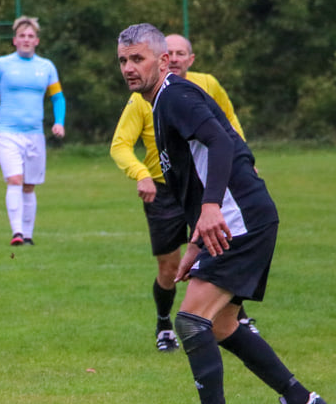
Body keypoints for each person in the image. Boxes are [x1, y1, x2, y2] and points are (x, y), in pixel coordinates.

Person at [116, 23, 328, 404]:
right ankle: (301, 401)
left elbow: (220, 142)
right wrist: (195, 239)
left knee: (193, 320)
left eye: (137, 59)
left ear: (163, 60)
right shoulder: (156, 102)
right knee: (224, 324)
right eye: (123, 60)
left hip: (239, 217)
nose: (128, 68)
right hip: (235, 217)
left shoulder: (175, 95)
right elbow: (194, 176)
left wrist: (212, 207)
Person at [110, 33, 258, 353]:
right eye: (124, 61)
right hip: (163, 192)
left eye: (180, 53)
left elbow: (227, 126)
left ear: (188, 59)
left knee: (218, 252)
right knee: (171, 267)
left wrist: (244, 163)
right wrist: (141, 174)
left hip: (206, 189)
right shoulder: (144, 97)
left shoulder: (202, 86)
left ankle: (234, 318)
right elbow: (120, 144)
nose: (175, 58)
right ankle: (164, 324)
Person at [0, 16, 66, 246]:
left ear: (37, 41)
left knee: (29, 185)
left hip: (35, 135)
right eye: (22, 36)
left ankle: (28, 235)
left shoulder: (46, 67)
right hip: (7, 133)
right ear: (14, 40)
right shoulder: (2, 65)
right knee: (15, 180)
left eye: (30, 36)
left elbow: (58, 97)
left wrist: (59, 121)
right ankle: (17, 233)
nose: (26, 39)